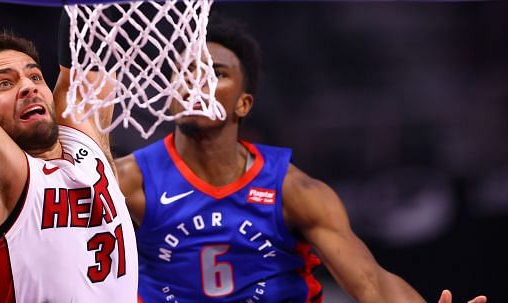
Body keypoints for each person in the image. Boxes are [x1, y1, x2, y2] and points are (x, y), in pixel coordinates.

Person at [106, 17, 486, 303]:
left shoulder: (292, 190)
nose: (196, 82)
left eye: (216, 73)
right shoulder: (131, 179)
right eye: (186, 72)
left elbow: (370, 281)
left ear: (244, 102)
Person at [0, 1, 137, 302]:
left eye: (35, 76)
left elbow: (96, 14)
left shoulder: (84, 137)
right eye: (4, 83)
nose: (28, 87)